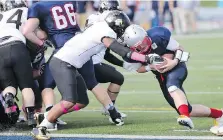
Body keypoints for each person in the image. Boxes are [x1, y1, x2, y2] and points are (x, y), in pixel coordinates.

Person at [31, 11, 157, 140]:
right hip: (63, 63)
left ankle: (47, 116)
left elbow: (119, 52)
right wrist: (146, 58)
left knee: (81, 101)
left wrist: (112, 111)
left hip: (73, 64)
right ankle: (41, 127)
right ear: (117, 26)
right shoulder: (105, 33)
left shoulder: (98, 29)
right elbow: (122, 51)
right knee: (69, 101)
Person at [122, 24, 223, 129]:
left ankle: (184, 116)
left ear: (146, 36)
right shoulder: (129, 53)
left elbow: (179, 48)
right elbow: (138, 68)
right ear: (132, 48)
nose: (144, 47)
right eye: (139, 47)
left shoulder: (158, 35)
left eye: (144, 42)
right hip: (161, 76)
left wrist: (174, 62)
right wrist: (151, 67)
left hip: (177, 66)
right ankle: (220, 115)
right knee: (186, 108)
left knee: (173, 86)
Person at [22, 1, 81, 126]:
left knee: (47, 85)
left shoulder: (38, 7)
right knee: (81, 98)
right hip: (78, 48)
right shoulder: (68, 4)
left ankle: (49, 116)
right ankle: (50, 113)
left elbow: (27, 30)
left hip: (63, 51)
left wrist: (40, 42)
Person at [0, 0, 43, 127]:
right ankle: (30, 117)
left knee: (9, 85)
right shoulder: (26, 11)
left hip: (0, 48)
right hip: (17, 45)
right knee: (26, 86)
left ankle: (8, 97)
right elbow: (34, 32)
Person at [83, 0, 127, 119]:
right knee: (76, 99)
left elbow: (105, 53)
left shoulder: (94, 19)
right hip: (88, 62)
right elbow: (111, 49)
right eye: (115, 11)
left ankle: (109, 108)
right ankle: (109, 108)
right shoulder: (103, 23)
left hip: (84, 60)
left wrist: (123, 64)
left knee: (76, 98)